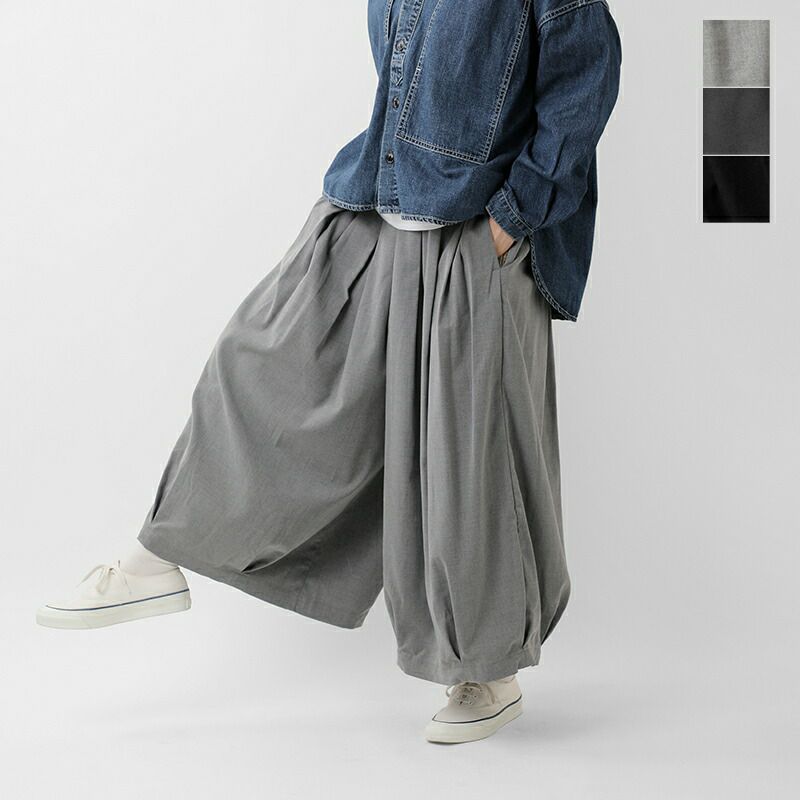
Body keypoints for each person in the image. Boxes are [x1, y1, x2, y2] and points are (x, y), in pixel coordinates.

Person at [37, 0, 621, 744]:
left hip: (475, 233)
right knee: (258, 365)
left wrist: (511, 222)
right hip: (371, 202)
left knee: (465, 464)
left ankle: (486, 670)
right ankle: (155, 559)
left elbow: (583, 88)